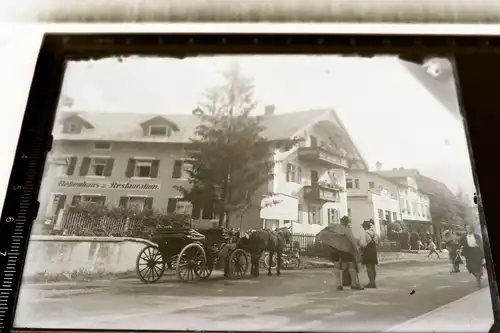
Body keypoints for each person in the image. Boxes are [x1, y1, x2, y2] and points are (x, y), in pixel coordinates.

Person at [359, 219, 379, 288]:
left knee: (369, 267)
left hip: (367, 251)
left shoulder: (364, 234)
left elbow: (363, 244)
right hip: (374, 251)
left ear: (364, 227)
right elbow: (377, 242)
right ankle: (373, 281)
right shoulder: (374, 233)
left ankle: (371, 282)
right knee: (373, 267)